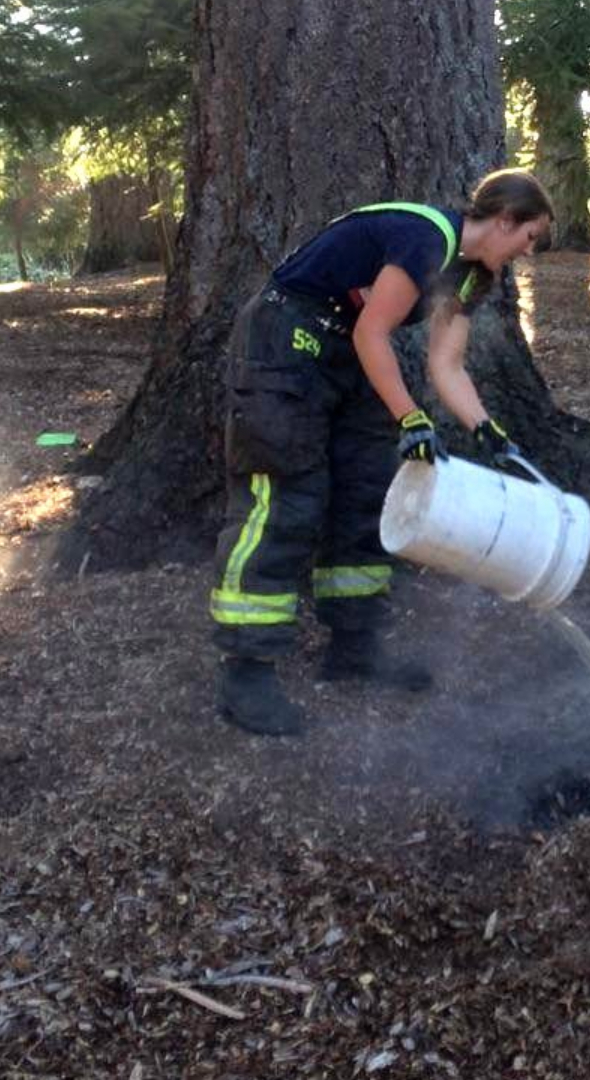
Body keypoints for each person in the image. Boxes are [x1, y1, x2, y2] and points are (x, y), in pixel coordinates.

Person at [208, 169, 553, 736]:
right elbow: (375, 332)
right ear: (505, 219)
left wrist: (486, 430)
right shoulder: (427, 236)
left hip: (347, 351)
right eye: (530, 236)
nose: (527, 251)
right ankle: (245, 674)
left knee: (367, 489)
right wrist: (410, 418)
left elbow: (446, 364)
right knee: (285, 496)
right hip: (287, 337)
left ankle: (354, 646)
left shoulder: (464, 277)